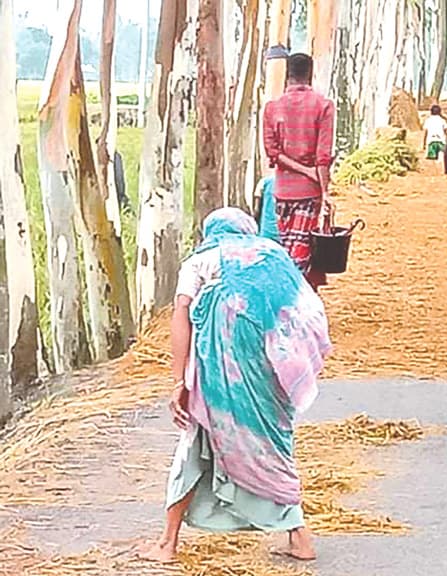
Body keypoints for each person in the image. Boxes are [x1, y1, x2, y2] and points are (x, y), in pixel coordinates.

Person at [140, 207, 331, 564]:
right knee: (273, 445)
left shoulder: (200, 261)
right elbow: (307, 308)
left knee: (195, 442)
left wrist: (181, 379)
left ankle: (167, 544)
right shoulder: (273, 256)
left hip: (218, 370)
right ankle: (300, 537)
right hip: (270, 368)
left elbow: (181, 314)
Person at [262, 52, 336, 292]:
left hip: (282, 193)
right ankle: (296, 306)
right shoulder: (323, 106)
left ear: (287, 75)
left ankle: (289, 303)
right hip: (308, 194)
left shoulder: (272, 108)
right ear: (310, 75)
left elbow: (273, 153)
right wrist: (324, 191)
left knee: (288, 247)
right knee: (300, 253)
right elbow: (323, 157)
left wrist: (302, 169)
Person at [422, 104, 447, 175]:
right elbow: (446, 132)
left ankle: (435, 171)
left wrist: (424, 144)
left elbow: (425, 133)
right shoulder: (442, 120)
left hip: (431, 142)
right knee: (444, 154)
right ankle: (444, 170)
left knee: (432, 158)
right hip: (441, 142)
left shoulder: (428, 121)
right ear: (440, 112)